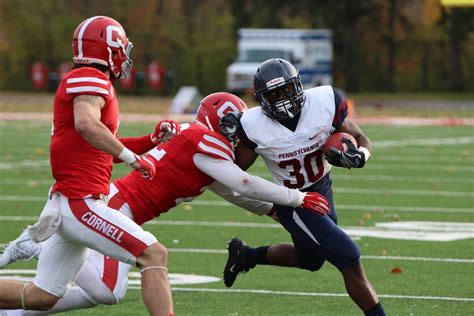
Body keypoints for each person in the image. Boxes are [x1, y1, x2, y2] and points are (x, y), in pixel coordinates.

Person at [0, 92, 331, 315]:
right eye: (236, 126)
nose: (241, 136)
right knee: (114, 284)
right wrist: (297, 198)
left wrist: (277, 212)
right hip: (117, 206)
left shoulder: (200, 149)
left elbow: (233, 192)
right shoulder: (205, 141)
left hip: (121, 206)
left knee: (98, 292)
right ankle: (48, 246)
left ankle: (13, 309)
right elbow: (243, 183)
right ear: (223, 123)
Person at [0, 16, 180, 316]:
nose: (125, 55)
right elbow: (86, 124)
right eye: (121, 48)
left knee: (41, 297)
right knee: (153, 254)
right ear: (107, 49)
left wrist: (150, 140)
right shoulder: (90, 77)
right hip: (79, 203)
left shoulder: (91, 81)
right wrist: (132, 159)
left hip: (70, 203)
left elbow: (102, 145)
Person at [223, 58, 386, 316]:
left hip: (322, 189)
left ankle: (247, 256)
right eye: (274, 94)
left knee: (309, 260)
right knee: (349, 256)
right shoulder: (252, 125)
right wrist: (225, 139)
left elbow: (361, 137)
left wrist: (361, 156)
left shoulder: (324, 102)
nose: (283, 99)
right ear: (261, 99)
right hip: (294, 201)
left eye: (286, 90)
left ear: (298, 85)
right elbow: (232, 169)